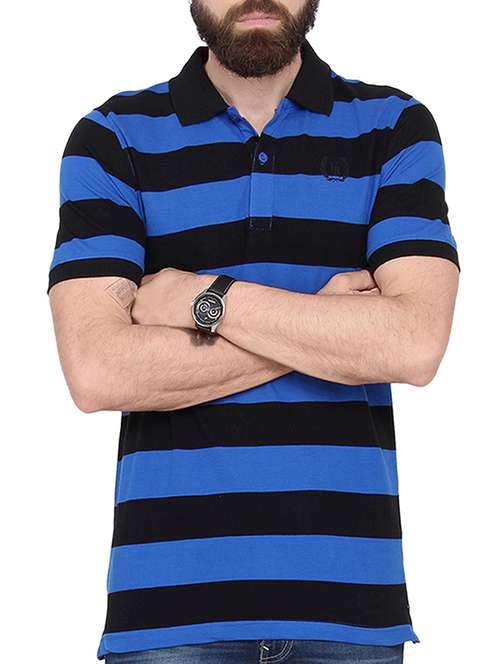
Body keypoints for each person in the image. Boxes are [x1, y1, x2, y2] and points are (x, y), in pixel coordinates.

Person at [47, 1, 460, 663]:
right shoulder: (113, 138)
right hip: (169, 610)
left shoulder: (394, 127)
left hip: (349, 607)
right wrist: (328, 328)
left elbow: (412, 344)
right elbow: (98, 371)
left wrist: (200, 298)